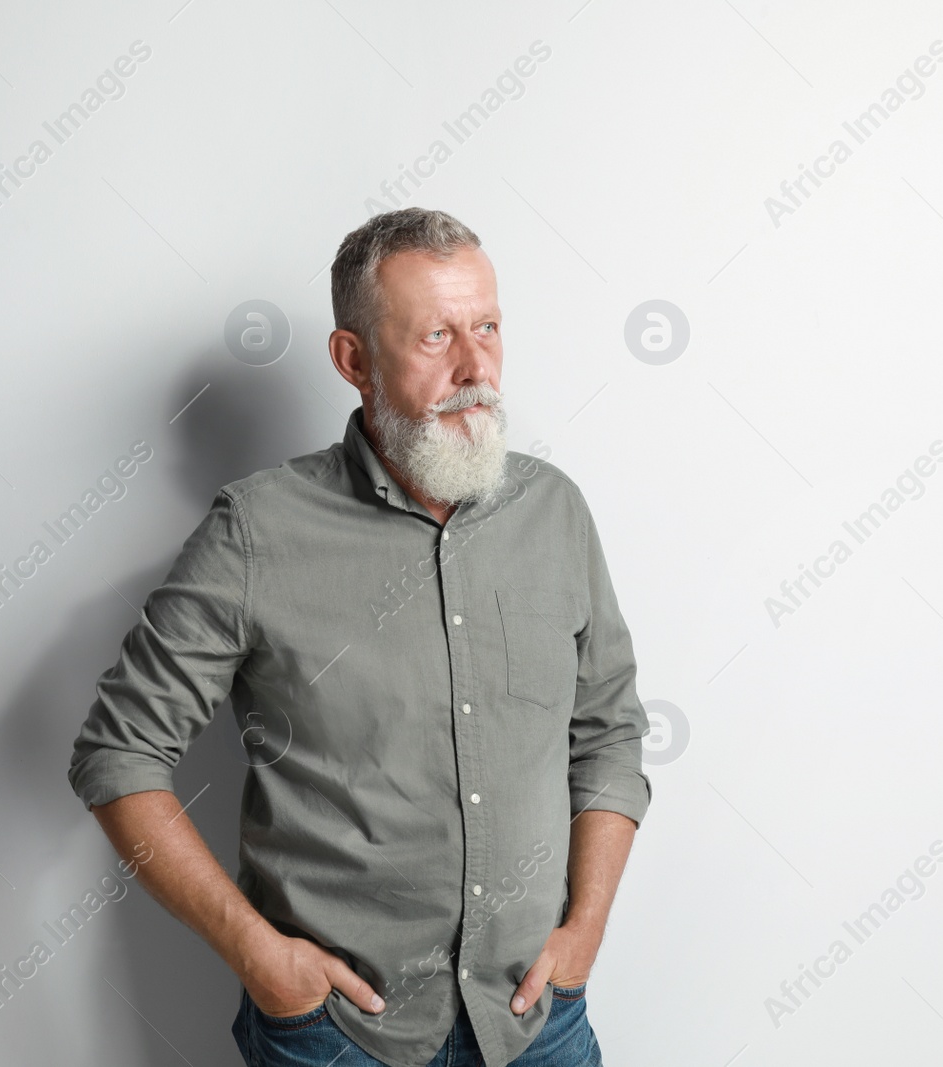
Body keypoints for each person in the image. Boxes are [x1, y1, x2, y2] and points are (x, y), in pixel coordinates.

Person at [68, 207, 652, 1066]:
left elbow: (609, 733)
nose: (475, 367)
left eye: (488, 327)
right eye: (435, 337)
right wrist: (259, 955)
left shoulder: (554, 512)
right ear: (353, 360)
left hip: (536, 1019)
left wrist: (586, 930)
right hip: (341, 1036)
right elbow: (117, 753)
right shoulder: (256, 530)